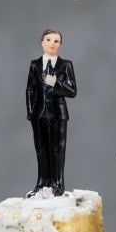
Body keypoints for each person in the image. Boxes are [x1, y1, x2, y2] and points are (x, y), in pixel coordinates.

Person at [25, 29, 77, 198]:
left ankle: (58, 183)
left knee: (57, 149)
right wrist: (31, 111)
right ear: (42, 42)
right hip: (39, 115)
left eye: (56, 41)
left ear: (60, 45)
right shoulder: (35, 64)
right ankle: (42, 182)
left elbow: (72, 91)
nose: (52, 43)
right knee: (41, 149)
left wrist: (56, 83)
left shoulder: (66, 64)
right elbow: (30, 90)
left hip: (58, 114)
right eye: (48, 39)